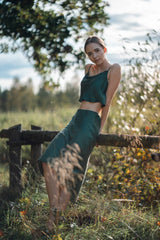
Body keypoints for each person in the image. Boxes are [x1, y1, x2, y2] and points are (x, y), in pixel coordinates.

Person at [39, 35, 121, 230]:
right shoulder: (87, 69)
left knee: (72, 169)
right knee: (48, 160)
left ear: (104, 49)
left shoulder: (114, 69)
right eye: (89, 53)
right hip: (75, 120)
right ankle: (54, 212)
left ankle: (53, 222)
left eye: (97, 51)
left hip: (90, 123)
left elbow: (107, 102)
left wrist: (99, 129)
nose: (94, 56)